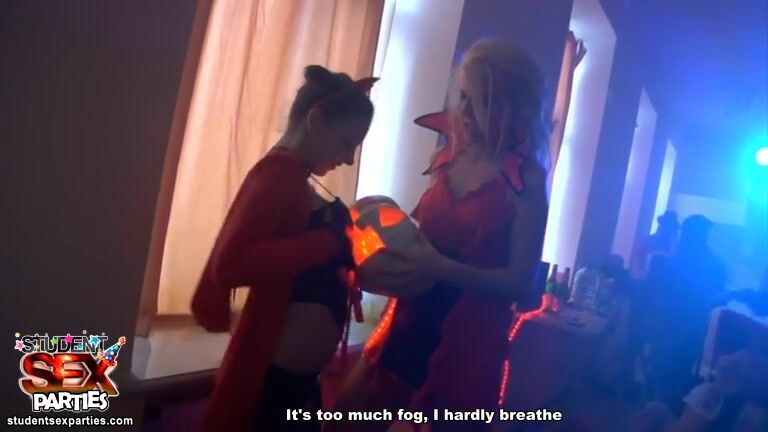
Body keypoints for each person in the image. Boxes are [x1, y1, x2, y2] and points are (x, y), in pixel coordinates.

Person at [342, 39, 550, 431]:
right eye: (464, 97)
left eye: (484, 101)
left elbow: (520, 285)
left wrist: (439, 267)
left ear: (516, 107)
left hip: (468, 344)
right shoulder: (446, 159)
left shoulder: (528, 181)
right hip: (408, 323)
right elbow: (420, 244)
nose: (467, 113)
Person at [191, 65, 376, 432]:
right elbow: (230, 264)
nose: (349, 159)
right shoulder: (281, 173)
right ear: (315, 120)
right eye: (347, 143)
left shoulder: (293, 176)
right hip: (271, 385)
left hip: (294, 385)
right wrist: (327, 242)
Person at [648, 215, 728, 413]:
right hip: (688, 326)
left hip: (678, 326)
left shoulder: (673, 262)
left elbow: (659, 295)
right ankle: (665, 413)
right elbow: (718, 299)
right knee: (672, 373)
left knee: (665, 372)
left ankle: (660, 414)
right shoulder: (716, 265)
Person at [630, 210, 680, 278]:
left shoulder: (675, 245)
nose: (669, 230)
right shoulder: (646, 241)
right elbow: (636, 263)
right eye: (667, 225)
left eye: (671, 227)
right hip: (646, 279)